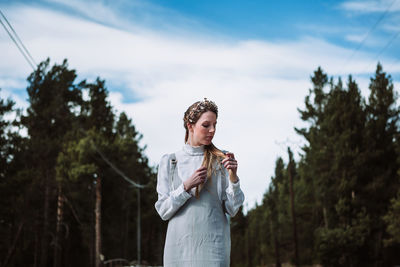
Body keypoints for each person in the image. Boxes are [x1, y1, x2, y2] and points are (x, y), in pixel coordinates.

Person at [155, 98, 245, 267]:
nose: (212, 130)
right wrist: (186, 187)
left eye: (215, 125)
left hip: (214, 248)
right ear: (190, 126)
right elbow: (163, 211)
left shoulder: (222, 159)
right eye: (206, 125)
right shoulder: (170, 161)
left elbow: (232, 210)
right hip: (178, 251)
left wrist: (233, 177)